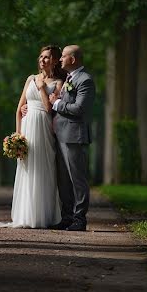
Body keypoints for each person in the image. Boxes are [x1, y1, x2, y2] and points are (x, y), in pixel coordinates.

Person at [1, 45, 65, 228]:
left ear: (54, 60)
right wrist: (18, 136)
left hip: (44, 128)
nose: (42, 60)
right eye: (40, 57)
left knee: (44, 167)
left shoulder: (59, 82)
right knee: (27, 168)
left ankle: (43, 216)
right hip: (28, 128)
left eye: (46, 57)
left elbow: (49, 108)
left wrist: (43, 88)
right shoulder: (30, 79)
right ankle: (25, 215)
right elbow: (19, 109)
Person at [48, 45, 95, 232]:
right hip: (60, 135)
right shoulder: (68, 78)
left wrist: (57, 103)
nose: (60, 59)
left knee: (77, 180)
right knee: (64, 180)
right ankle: (66, 217)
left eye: (63, 56)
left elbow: (79, 109)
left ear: (73, 59)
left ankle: (79, 219)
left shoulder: (85, 80)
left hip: (74, 136)